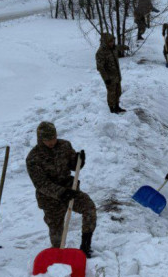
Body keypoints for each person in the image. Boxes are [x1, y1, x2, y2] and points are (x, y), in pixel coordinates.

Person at [26, 122, 96, 257]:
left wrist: (78, 161)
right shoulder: (33, 158)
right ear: (40, 139)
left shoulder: (64, 145)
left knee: (89, 208)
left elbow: (73, 166)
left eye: (53, 138)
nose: (52, 142)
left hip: (70, 190)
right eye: (47, 140)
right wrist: (61, 193)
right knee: (57, 232)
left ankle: (85, 246)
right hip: (50, 198)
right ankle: (58, 256)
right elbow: (41, 184)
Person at [95, 33, 124, 114]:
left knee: (118, 91)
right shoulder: (101, 52)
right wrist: (106, 78)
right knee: (111, 93)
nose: (112, 43)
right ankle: (112, 108)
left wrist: (124, 47)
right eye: (110, 42)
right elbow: (100, 67)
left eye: (113, 41)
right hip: (109, 77)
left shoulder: (113, 48)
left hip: (117, 75)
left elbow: (118, 47)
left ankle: (117, 106)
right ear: (105, 42)